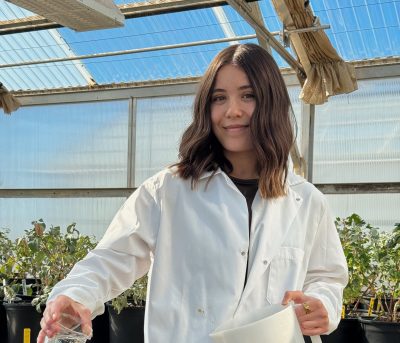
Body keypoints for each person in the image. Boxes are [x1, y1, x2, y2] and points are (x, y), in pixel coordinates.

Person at [37, 43, 348, 343]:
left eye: (248, 96)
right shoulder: (169, 190)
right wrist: (75, 294)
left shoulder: (306, 201)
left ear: (272, 102)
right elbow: (113, 256)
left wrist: (323, 303)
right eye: (219, 98)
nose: (232, 110)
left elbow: (326, 275)